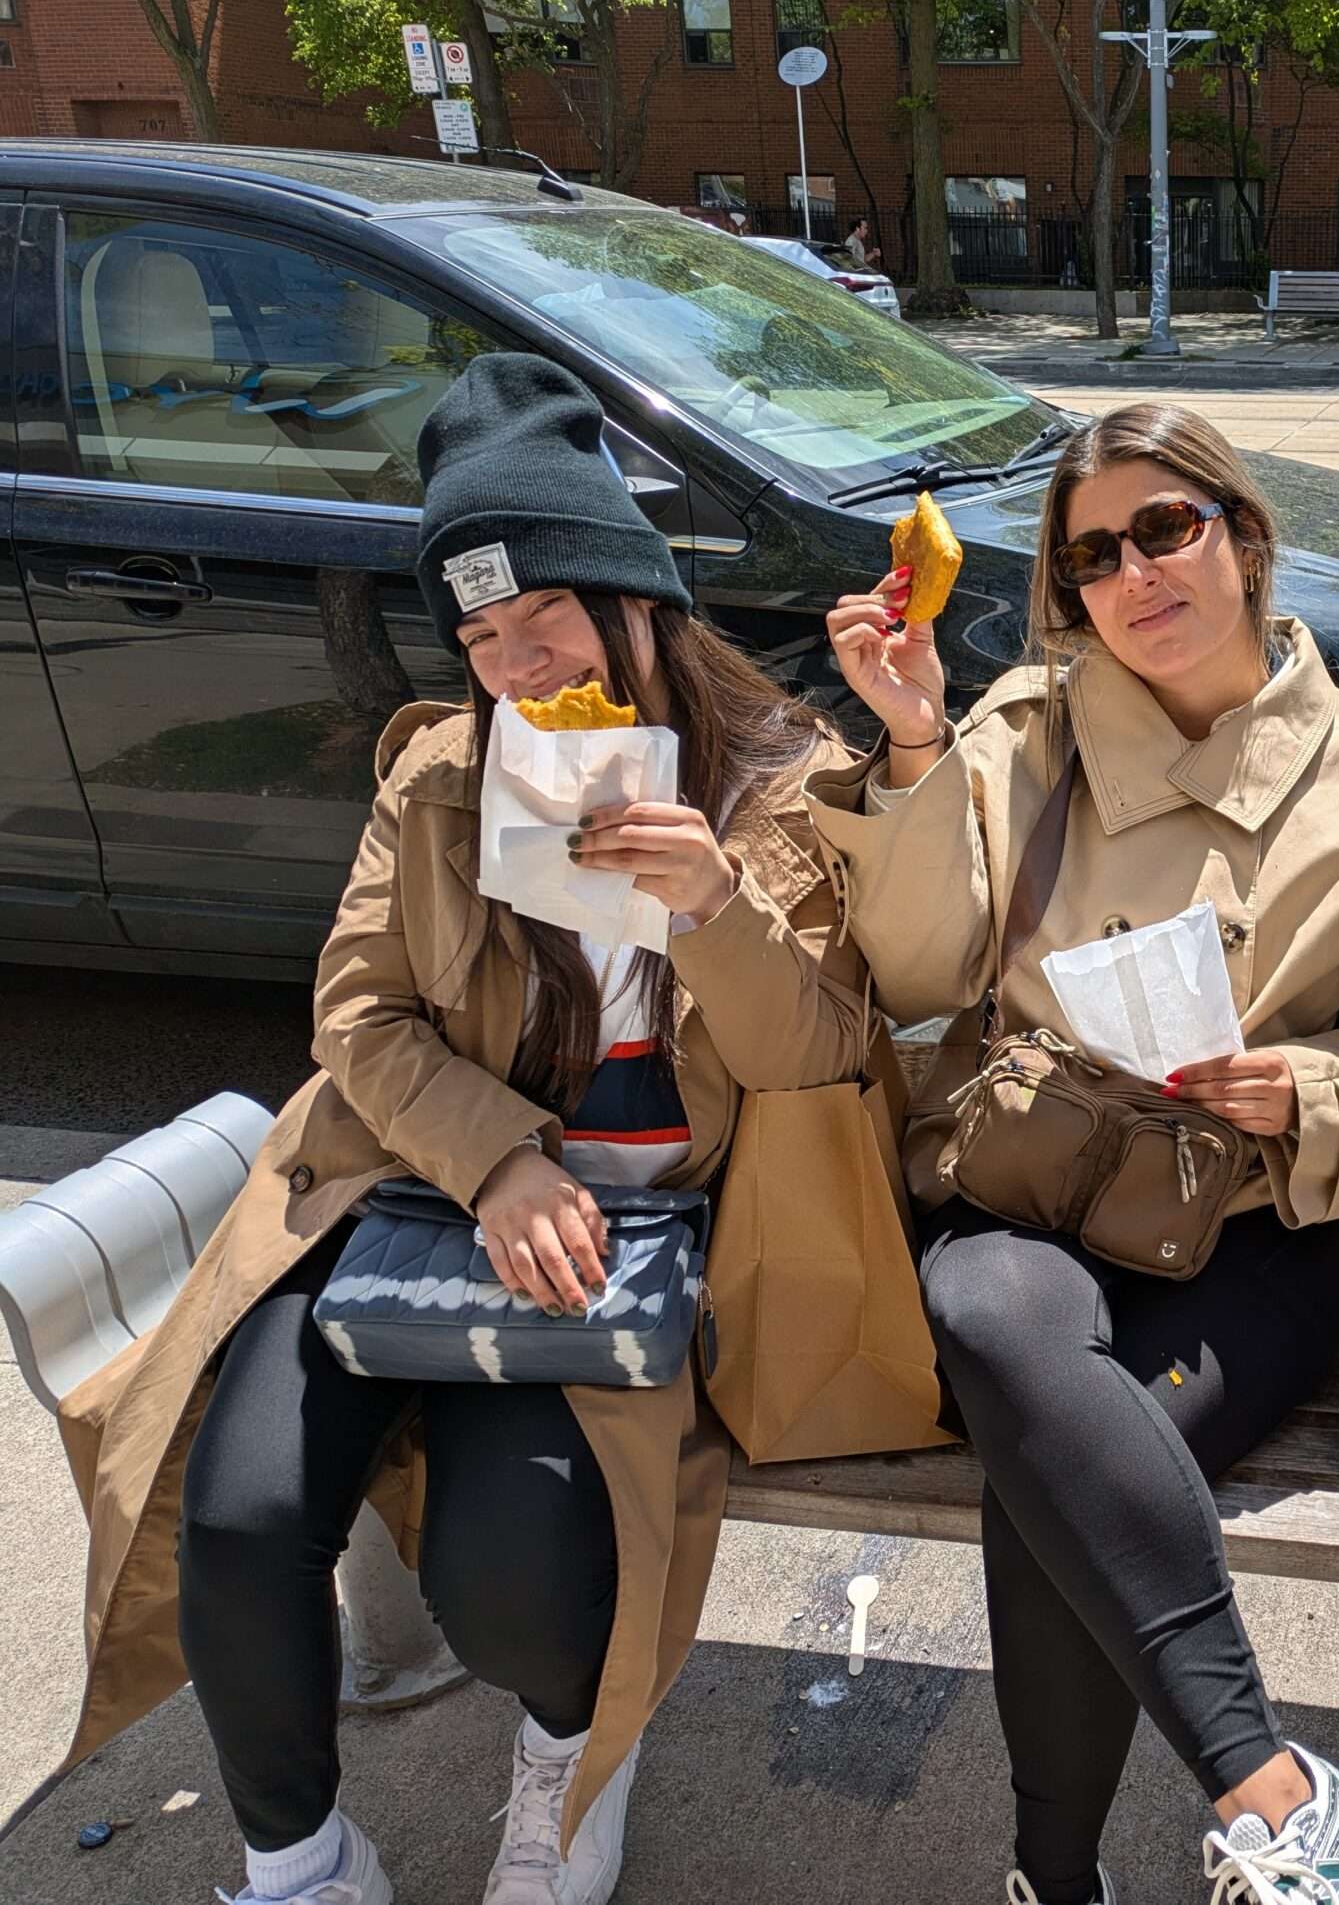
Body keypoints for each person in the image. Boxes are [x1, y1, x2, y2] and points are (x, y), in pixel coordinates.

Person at [46, 354, 878, 1905]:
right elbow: (358, 1018)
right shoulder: (442, 775)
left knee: (515, 1577)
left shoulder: (777, 786)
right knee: (234, 1515)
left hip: (631, 1240)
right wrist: (496, 1154)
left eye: (544, 614)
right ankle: (301, 1861)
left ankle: (571, 1753)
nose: (513, 661)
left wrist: (713, 905)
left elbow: (823, 1056)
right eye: (481, 632)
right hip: (404, 1188)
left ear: (635, 600)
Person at [812, 402, 1339, 1905]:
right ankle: (1270, 1786)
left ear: (1244, 538)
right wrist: (914, 739)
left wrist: (1304, 1091)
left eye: (1165, 528)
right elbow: (915, 974)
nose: (1133, 574)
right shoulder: (1021, 733)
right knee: (988, 1321)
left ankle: (1054, 1874)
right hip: (1034, 1194)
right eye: (1093, 551)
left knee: (1058, 1488)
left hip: (1253, 1238)